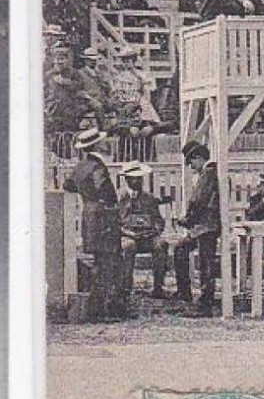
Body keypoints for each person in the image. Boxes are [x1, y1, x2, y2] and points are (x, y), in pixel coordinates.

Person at [63, 127, 125, 320]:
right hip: (103, 215)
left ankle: (96, 307)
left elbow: (68, 186)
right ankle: (102, 309)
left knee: (96, 261)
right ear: (96, 144)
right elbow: (103, 190)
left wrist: (85, 194)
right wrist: (114, 208)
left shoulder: (80, 166)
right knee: (107, 261)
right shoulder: (98, 166)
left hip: (88, 214)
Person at [172, 139, 221, 314]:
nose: (191, 166)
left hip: (206, 226)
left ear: (199, 158)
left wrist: (187, 219)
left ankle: (205, 303)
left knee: (205, 263)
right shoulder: (210, 172)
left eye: (191, 162)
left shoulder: (208, 173)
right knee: (180, 250)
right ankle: (185, 294)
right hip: (202, 225)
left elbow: (197, 201)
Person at [117, 161, 170, 302]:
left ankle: (158, 288)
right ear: (127, 179)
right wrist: (127, 233)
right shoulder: (119, 199)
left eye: (140, 178)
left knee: (161, 244)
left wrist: (154, 231)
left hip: (147, 237)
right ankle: (126, 288)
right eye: (134, 178)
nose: (138, 181)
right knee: (128, 246)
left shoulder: (149, 198)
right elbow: (112, 223)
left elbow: (159, 221)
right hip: (126, 237)